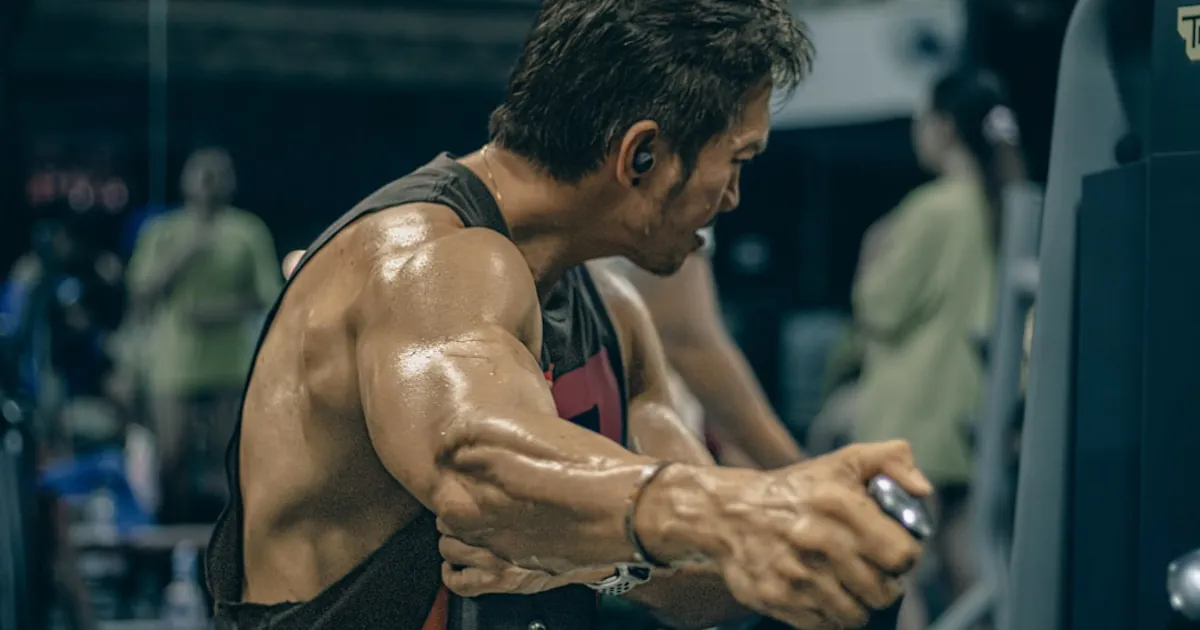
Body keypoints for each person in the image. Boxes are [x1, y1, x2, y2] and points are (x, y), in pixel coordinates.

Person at [207, 2, 931, 629]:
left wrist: (606, 562)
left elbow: (707, 575)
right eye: (735, 160)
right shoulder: (423, 261)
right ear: (642, 155)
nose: (735, 196)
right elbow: (478, 470)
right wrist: (743, 506)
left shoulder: (614, 315)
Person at [850, 67, 1025, 629]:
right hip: (972, 419)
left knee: (896, 569)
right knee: (969, 566)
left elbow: (881, 309)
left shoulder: (931, 210)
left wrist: (872, 252)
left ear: (945, 126)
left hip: (910, 421)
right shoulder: (1008, 206)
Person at [125, 147, 281, 523]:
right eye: (201, 172)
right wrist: (185, 251)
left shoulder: (248, 231)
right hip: (174, 362)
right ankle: (166, 544)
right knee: (171, 455)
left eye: (218, 172)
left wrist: (221, 311)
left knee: (225, 458)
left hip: (229, 363)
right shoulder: (162, 231)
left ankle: (224, 544)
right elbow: (142, 291)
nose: (209, 180)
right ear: (185, 179)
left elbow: (270, 295)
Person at [598, 233, 805, 469]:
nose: (730, 199)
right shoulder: (671, 204)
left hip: (647, 448)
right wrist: (796, 470)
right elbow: (685, 341)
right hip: (633, 457)